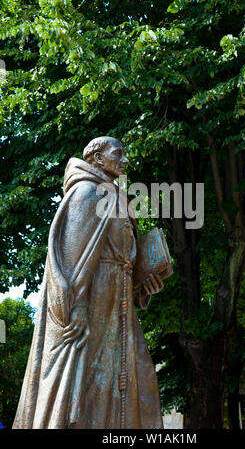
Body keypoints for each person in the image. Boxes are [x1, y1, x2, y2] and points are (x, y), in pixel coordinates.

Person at [13, 136, 164, 429]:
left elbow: (123, 259)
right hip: (92, 306)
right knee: (87, 390)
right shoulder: (86, 194)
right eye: (117, 153)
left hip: (116, 305)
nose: (125, 159)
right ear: (97, 158)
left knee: (138, 378)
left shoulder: (115, 197)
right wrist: (76, 308)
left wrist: (142, 286)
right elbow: (68, 264)